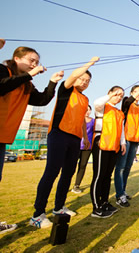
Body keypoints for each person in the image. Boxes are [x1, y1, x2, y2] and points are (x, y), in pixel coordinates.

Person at [0, 43, 63, 233]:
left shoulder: (26, 84)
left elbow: (41, 100)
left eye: (37, 62)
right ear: (17, 59)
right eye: (31, 60)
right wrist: (30, 74)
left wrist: (52, 82)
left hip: (3, 135)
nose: (34, 64)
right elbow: (2, 87)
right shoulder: (3, 71)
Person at [30, 56, 98, 228]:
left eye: (88, 81)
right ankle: (38, 214)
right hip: (59, 134)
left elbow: (82, 119)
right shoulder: (66, 90)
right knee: (51, 172)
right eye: (82, 79)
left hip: (75, 139)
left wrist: (85, 137)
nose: (84, 82)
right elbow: (75, 75)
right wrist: (90, 63)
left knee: (68, 174)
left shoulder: (85, 99)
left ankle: (59, 207)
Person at [90, 86, 126, 218]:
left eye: (121, 96)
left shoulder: (118, 112)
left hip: (114, 146)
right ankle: (96, 207)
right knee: (99, 176)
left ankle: (104, 202)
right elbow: (97, 103)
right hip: (101, 144)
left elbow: (121, 128)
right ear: (109, 93)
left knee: (107, 176)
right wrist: (110, 96)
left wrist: (123, 142)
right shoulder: (103, 107)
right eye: (117, 94)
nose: (119, 97)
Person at [114, 84, 139, 208]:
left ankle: (123, 190)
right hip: (125, 138)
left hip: (135, 139)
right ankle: (119, 195)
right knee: (120, 167)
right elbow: (128, 101)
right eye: (138, 92)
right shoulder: (126, 102)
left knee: (128, 167)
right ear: (132, 92)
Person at [71, 105, 95, 193]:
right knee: (71, 166)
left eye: (89, 110)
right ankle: (65, 185)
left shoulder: (93, 121)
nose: (87, 112)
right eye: (86, 110)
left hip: (87, 147)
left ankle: (76, 186)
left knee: (82, 166)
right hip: (76, 145)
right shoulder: (77, 119)